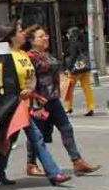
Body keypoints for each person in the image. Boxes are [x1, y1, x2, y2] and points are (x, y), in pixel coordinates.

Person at [0, 23, 71, 187]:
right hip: (12, 106)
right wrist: (17, 93)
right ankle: (54, 174)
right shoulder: (4, 56)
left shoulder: (22, 54)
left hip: (26, 103)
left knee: (11, 139)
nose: (23, 34)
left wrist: (33, 93)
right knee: (36, 137)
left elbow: (31, 78)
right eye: (19, 32)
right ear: (11, 36)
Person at [23, 25, 100, 177]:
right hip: (40, 101)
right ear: (32, 41)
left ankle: (77, 161)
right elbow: (28, 81)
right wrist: (36, 102)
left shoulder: (46, 55)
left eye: (46, 35)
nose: (45, 38)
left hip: (53, 99)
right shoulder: (29, 57)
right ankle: (31, 164)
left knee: (66, 128)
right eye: (41, 36)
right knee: (37, 135)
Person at [63, 26, 96, 116]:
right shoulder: (84, 41)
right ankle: (91, 107)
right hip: (85, 68)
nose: (67, 35)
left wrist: (68, 68)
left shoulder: (72, 42)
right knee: (87, 88)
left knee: (69, 89)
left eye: (68, 33)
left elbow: (73, 56)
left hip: (75, 70)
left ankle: (69, 107)